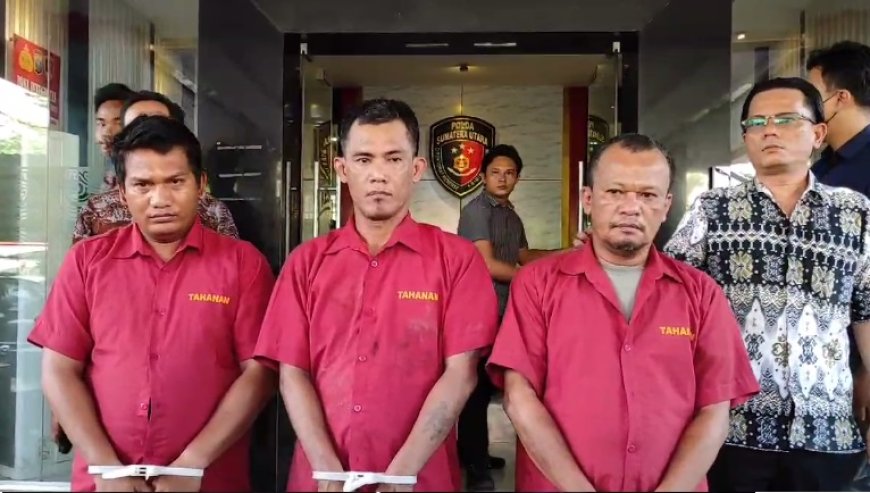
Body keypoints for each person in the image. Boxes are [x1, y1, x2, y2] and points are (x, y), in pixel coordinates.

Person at [487, 133, 758, 492]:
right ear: (588, 199)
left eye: (647, 195)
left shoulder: (701, 293)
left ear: (666, 205)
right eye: (615, 192)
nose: (631, 207)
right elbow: (519, 397)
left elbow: (715, 411)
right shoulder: (538, 284)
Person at [254, 98, 499, 492]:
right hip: (322, 480)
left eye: (394, 159)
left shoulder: (456, 260)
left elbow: (461, 373)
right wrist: (325, 468)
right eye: (364, 159)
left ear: (416, 168)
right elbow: (292, 372)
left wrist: (403, 472)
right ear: (342, 169)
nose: (378, 174)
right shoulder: (307, 262)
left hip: (420, 478)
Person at [30, 115, 276, 492]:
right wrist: (105, 467)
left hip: (208, 480)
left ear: (201, 184)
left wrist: (192, 464)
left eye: (175, 182)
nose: (160, 200)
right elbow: (59, 369)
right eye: (143, 184)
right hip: (105, 482)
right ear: (122, 192)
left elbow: (260, 374)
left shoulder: (244, 265)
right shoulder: (87, 261)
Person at [664, 77, 870, 491]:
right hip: (732, 429)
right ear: (746, 138)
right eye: (756, 122)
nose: (769, 130)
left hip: (826, 431)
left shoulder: (855, 213)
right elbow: (667, 293)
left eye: (786, 119)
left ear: (818, 134)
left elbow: (866, 310)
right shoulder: (712, 209)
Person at [455, 143, 563, 490]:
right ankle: (475, 466)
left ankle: (475, 452)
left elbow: (523, 256)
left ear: (518, 178)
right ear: (483, 176)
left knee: (489, 387)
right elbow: (486, 264)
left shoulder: (511, 215)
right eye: (496, 172)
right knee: (473, 390)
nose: (502, 179)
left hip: (504, 311)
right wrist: (531, 280)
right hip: (477, 312)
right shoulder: (476, 212)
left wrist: (569, 254)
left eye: (510, 173)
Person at [806, 43, 870, 461]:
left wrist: (866, 369)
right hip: (823, 361)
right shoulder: (822, 168)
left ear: (840, 98)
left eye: (813, 98)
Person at [73, 90, 238, 242]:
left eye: (175, 181)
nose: (160, 201)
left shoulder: (213, 211)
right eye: (136, 125)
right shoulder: (96, 210)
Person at [94, 83, 135, 190]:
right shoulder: (112, 167)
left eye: (119, 123)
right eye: (102, 124)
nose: (106, 133)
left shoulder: (139, 171)